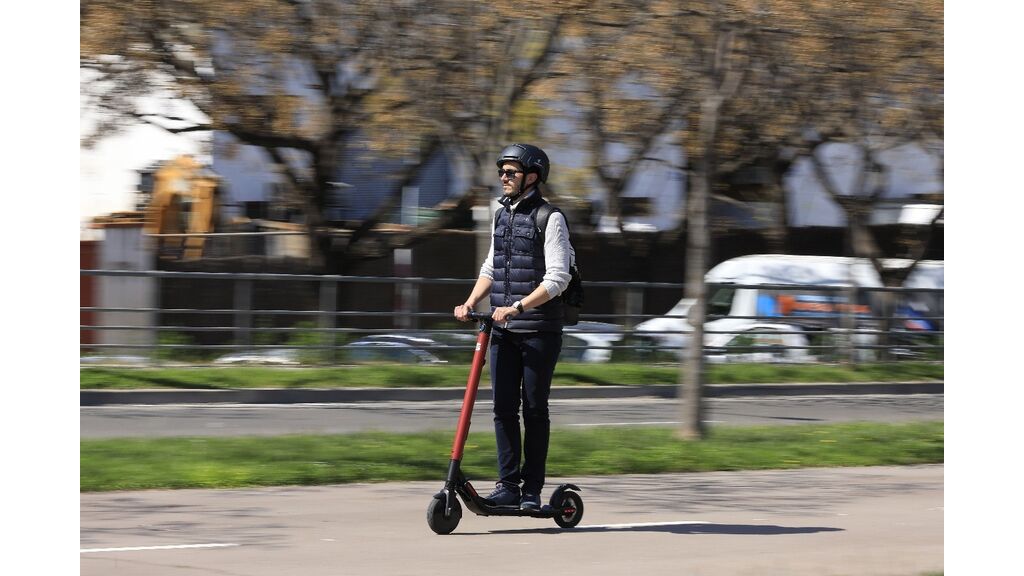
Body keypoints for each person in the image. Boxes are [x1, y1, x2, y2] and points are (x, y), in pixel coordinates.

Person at [454, 143, 573, 511]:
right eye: (501, 172)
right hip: (502, 330)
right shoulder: (501, 215)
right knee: (503, 409)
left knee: (534, 408)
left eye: (511, 172)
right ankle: (507, 485)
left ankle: (532, 489)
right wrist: (472, 302)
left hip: (540, 330)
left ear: (532, 176)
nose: (503, 177)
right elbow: (491, 267)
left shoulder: (549, 218)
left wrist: (518, 307)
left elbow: (558, 279)